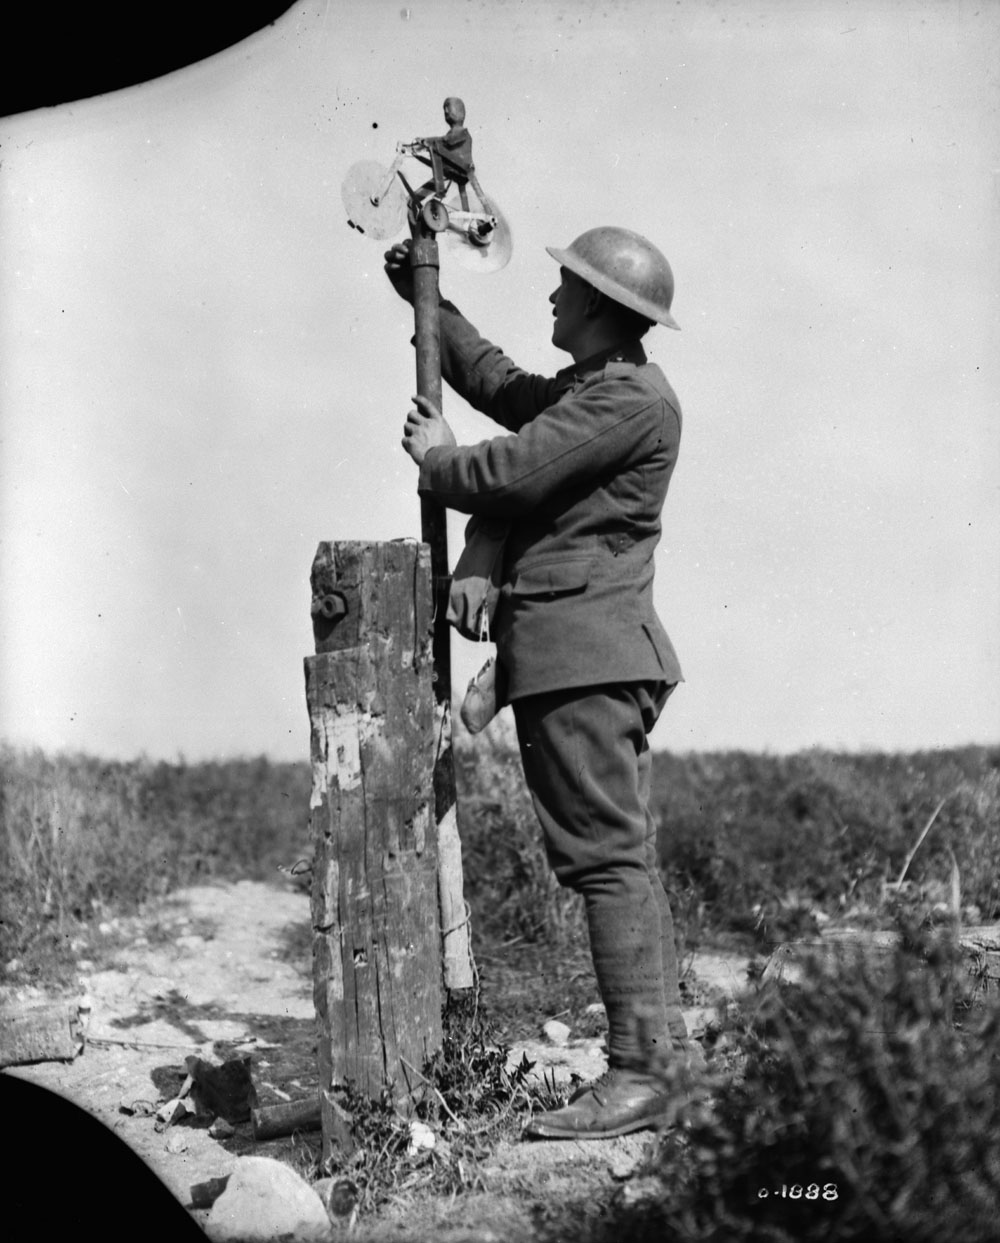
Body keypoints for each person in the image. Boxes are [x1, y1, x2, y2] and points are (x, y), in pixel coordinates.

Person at [385, 226, 698, 1140]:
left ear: (603, 308)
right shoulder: (598, 389)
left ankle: (641, 1073)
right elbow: (509, 391)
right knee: (620, 857)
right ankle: (664, 1064)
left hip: (583, 656)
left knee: (606, 861)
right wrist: (431, 307)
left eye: (567, 289)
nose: (554, 299)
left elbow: (517, 469)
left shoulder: (631, 400)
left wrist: (441, 461)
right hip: (584, 656)